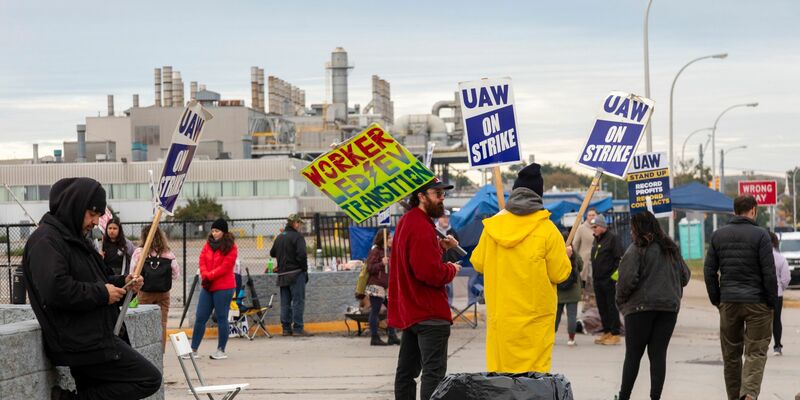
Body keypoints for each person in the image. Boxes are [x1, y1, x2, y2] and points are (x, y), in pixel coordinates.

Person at [21, 177, 161, 399]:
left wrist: (124, 282)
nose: (96, 222)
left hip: (93, 336)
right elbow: (56, 289)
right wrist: (103, 293)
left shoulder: (75, 239)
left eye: (99, 215)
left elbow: (98, 278)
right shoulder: (46, 240)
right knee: (148, 379)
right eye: (92, 213)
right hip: (81, 342)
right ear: (74, 207)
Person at [471, 163, 571, 373]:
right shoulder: (548, 230)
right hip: (536, 323)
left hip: (501, 320)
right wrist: (565, 255)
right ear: (539, 195)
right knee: (533, 383)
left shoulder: (492, 227)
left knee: (501, 380)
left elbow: (478, 263)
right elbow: (560, 274)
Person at [389, 177, 461, 400]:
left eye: (443, 195)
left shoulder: (409, 221)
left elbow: (417, 261)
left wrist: (440, 247)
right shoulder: (420, 225)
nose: (442, 200)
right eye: (437, 194)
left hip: (413, 311)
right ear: (421, 196)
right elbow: (429, 273)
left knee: (406, 374)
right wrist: (451, 269)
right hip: (429, 313)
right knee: (434, 375)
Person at [704, 195, 778, 400]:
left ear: (734, 211)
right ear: (753, 210)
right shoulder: (761, 236)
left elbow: (709, 271)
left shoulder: (718, 235)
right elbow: (769, 273)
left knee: (731, 356)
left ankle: (735, 397)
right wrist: (771, 302)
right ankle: (749, 394)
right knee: (755, 352)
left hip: (729, 301)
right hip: (757, 302)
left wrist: (717, 299)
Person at [615, 211, 690, 400]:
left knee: (633, 355)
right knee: (658, 355)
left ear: (637, 228)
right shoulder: (671, 249)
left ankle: (624, 397)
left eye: (632, 228)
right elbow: (685, 276)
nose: (631, 232)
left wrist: (621, 303)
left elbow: (626, 281)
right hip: (668, 309)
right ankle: (655, 397)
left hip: (640, 309)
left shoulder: (636, 249)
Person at [191, 218, 238, 360]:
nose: (214, 233)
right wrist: (205, 273)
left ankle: (221, 349)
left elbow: (226, 266)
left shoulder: (231, 247)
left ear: (223, 232)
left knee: (222, 317)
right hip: (208, 286)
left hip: (224, 287)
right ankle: (193, 349)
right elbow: (202, 259)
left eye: (217, 231)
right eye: (212, 230)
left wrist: (210, 275)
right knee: (200, 316)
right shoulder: (208, 245)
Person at [130, 225, 180, 352]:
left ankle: (145, 351)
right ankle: (160, 352)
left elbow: (132, 273)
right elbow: (176, 274)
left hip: (145, 292)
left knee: (143, 322)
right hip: (163, 293)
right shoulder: (168, 253)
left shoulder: (139, 252)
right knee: (162, 324)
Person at [270, 214, 312, 337]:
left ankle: (286, 329)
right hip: (296, 273)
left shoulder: (279, 237)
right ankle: (298, 329)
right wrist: (304, 270)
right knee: (298, 301)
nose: (300, 226)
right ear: (295, 223)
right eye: (299, 223)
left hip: (283, 274)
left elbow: (272, 253)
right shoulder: (298, 237)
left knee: (285, 303)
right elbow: (302, 255)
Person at [589, 214, 624, 345]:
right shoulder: (597, 239)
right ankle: (607, 331)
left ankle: (615, 333)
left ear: (603, 226)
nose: (594, 229)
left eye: (596, 226)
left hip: (608, 280)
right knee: (602, 307)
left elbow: (619, 260)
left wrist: (613, 278)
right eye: (592, 226)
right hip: (598, 279)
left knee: (611, 307)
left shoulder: (613, 238)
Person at [365, 228, 400, 346]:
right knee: (375, 310)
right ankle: (374, 337)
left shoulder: (389, 251)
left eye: (391, 237)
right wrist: (381, 263)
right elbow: (369, 268)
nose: (391, 240)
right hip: (376, 285)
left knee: (392, 309)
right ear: (383, 239)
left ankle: (392, 336)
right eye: (389, 237)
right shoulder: (376, 251)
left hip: (387, 286)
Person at [557, 231, 583, 347]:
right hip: (573, 290)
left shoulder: (556, 253)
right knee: (571, 315)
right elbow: (581, 267)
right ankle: (571, 339)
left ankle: (551, 337)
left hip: (559, 291)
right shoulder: (575, 254)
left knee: (556, 315)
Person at [768, 231, 791, 356]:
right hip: (777, 294)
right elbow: (786, 278)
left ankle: (757, 345)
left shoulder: (759, 256)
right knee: (776, 320)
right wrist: (780, 287)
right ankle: (777, 346)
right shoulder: (781, 258)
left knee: (759, 319)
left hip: (761, 294)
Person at [571, 207, 597, 305]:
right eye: (590, 215)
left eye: (593, 215)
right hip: (585, 262)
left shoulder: (599, 227)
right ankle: (587, 307)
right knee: (586, 286)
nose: (591, 217)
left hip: (597, 261)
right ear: (587, 216)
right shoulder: (581, 228)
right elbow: (575, 245)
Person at [437, 210, 461, 304]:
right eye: (443, 217)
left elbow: (458, 247)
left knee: (450, 289)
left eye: (447, 217)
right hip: (439, 264)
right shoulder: (434, 231)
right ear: (439, 218)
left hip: (452, 264)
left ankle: (449, 305)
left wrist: (455, 259)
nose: (445, 219)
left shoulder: (453, 232)